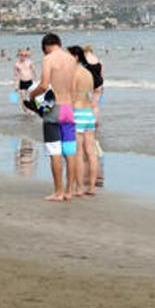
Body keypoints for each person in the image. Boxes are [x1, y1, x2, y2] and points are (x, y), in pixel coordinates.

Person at [29, 33, 78, 202]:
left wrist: (31, 95)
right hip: (69, 108)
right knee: (69, 152)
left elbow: (43, 85)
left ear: (46, 47)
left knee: (54, 151)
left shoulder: (49, 59)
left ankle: (58, 192)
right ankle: (69, 192)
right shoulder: (72, 59)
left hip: (54, 109)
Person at [69, 46, 99, 197]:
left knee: (78, 153)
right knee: (91, 152)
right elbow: (92, 92)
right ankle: (92, 187)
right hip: (89, 113)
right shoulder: (88, 72)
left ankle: (79, 188)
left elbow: (72, 95)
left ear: (75, 57)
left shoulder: (74, 72)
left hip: (78, 113)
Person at [82, 45, 104, 124]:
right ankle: (95, 121)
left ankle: (86, 120)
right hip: (98, 83)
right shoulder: (99, 60)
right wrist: (102, 87)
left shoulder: (83, 61)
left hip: (87, 84)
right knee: (95, 105)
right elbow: (101, 74)